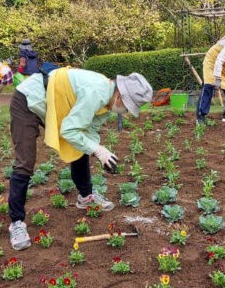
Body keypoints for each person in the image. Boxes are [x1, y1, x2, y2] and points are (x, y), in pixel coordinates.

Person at [8, 67, 153, 250]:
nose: (124, 111)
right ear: (120, 96)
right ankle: (17, 222)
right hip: (30, 101)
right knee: (25, 161)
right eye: (127, 106)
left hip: (57, 103)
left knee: (81, 144)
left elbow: (87, 131)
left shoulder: (107, 102)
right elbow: (70, 130)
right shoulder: (96, 92)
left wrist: (98, 151)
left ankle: (86, 196)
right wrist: (98, 150)